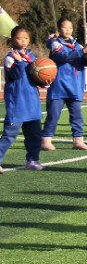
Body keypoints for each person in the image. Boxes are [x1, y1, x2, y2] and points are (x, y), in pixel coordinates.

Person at [41, 17, 87, 151]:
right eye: (65, 27)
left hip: (75, 86)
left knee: (77, 116)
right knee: (53, 115)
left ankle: (78, 140)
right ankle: (46, 139)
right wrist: (82, 52)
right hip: (59, 86)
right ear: (59, 29)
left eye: (70, 27)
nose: (68, 30)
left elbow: (84, 60)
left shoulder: (78, 45)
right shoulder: (55, 43)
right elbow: (63, 56)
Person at [0, 26, 44, 173]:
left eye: (26, 38)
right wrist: (19, 62)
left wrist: (44, 80)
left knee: (35, 135)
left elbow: (36, 77)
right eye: (19, 38)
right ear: (12, 40)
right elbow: (14, 76)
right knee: (9, 135)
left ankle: (32, 159)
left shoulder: (33, 58)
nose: (23, 41)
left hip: (32, 103)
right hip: (17, 104)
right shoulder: (10, 58)